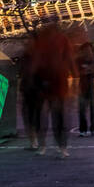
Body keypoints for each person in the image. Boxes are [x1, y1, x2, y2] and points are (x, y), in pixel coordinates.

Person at [32, 17, 77, 157]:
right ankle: (54, 146)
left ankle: (56, 146)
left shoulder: (58, 40)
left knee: (54, 116)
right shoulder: (45, 41)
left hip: (56, 82)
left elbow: (69, 58)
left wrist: (75, 78)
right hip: (48, 82)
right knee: (48, 116)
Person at [76, 39, 94, 138]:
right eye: (85, 50)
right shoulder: (79, 60)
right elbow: (75, 72)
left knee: (93, 110)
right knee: (82, 110)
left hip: (92, 87)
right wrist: (84, 71)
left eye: (89, 50)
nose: (87, 52)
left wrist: (93, 69)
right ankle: (83, 130)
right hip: (82, 87)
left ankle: (93, 129)